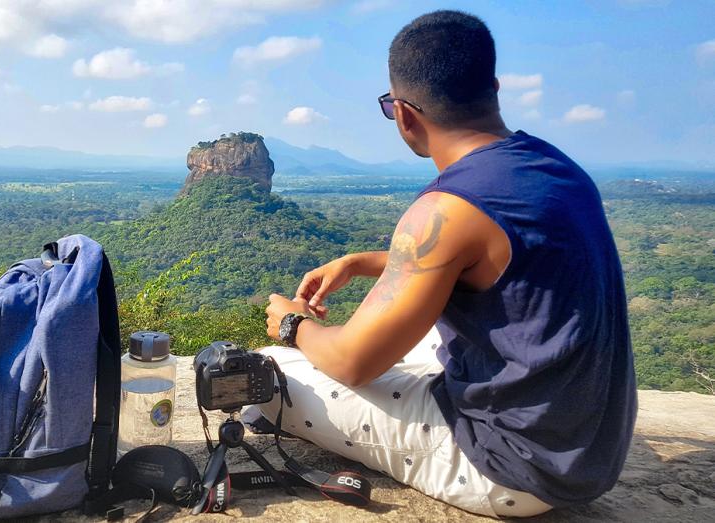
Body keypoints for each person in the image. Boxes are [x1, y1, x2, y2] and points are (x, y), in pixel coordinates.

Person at [251, 9, 637, 518]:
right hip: (587, 447)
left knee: (265, 374)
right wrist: (362, 261)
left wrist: (292, 324)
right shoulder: (556, 167)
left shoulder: (444, 210)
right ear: (494, 88)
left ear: (405, 114)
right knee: (421, 326)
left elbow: (351, 363)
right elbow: (500, 263)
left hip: (511, 468)